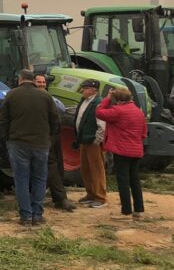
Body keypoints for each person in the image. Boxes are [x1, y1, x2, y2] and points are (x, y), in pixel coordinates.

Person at [0, 69, 60, 226]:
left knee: (21, 179)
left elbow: (3, 119)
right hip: (41, 144)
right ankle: (37, 215)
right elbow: (55, 120)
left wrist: (7, 138)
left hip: (18, 143)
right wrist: (48, 138)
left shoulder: (11, 95)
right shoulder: (45, 96)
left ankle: (25, 216)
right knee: (39, 178)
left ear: (20, 79)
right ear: (33, 80)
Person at [96, 87, 147, 220]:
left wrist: (107, 98)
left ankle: (126, 212)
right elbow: (143, 133)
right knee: (134, 180)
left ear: (118, 100)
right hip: (136, 150)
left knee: (123, 180)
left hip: (122, 150)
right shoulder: (138, 112)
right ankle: (139, 210)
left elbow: (100, 113)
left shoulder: (118, 111)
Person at [34, 73, 77, 212]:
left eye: (43, 82)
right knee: (49, 166)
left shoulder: (49, 98)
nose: (41, 84)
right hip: (37, 137)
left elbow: (61, 109)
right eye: (38, 82)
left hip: (50, 136)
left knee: (55, 166)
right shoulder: (31, 98)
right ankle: (56, 198)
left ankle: (58, 197)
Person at [73, 79, 107, 208]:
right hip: (84, 140)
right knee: (86, 169)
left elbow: (102, 125)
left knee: (96, 169)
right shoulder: (85, 101)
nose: (82, 90)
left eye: (85, 88)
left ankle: (100, 197)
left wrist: (97, 140)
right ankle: (91, 193)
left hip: (93, 142)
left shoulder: (98, 103)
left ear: (93, 90)